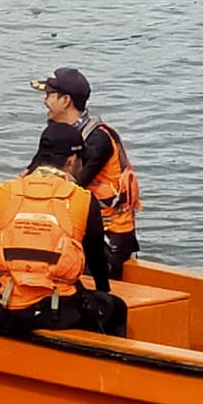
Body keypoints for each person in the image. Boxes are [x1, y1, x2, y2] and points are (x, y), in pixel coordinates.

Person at [0, 123, 125, 335]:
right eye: (81, 161)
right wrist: (103, 291)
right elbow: (96, 259)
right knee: (117, 308)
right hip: (57, 313)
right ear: (71, 161)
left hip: (3, 308)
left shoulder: (6, 191)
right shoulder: (82, 199)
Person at [29, 68, 141, 278]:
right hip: (75, 230)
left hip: (109, 236)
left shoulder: (98, 139)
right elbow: (30, 175)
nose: (44, 102)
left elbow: (71, 187)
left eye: (48, 96)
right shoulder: (56, 136)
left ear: (65, 100)